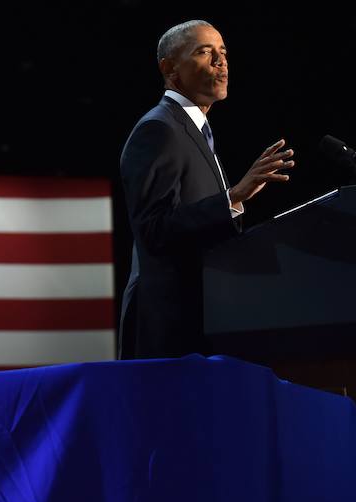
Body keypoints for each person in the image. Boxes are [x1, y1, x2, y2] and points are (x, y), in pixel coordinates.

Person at [118, 19, 295, 359]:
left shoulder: (195, 132)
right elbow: (153, 230)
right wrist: (234, 196)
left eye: (223, 52)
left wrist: (235, 204)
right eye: (204, 52)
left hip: (205, 323)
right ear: (170, 68)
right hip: (168, 329)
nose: (220, 61)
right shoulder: (159, 129)